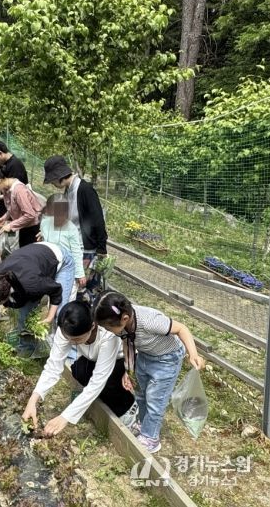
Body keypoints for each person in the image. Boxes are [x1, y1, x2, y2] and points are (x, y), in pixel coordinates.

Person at [93, 291, 206, 453]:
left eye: (108, 327)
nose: (108, 331)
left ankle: (151, 438)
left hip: (166, 360)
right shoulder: (122, 326)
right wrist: (128, 371)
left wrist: (193, 354)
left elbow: (182, 329)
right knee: (141, 394)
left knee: (155, 400)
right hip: (145, 356)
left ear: (124, 318)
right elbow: (128, 343)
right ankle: (144, 424)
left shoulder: (149, 321)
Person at [22, 301, 137, 436]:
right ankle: (105, 398)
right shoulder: (66, 329)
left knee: (108, 383)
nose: (71, 342)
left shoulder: (107, 334)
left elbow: (98, 381)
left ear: (92, 326)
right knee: (79, 371)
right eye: (68, 338)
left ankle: (129, 408)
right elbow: (53, 367)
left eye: (76, 340)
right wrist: (33, 399)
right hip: (94, 358)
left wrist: (65, 417)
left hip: (123, 360)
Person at [0, 242, 64, 341]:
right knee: (24, 316)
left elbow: (56, 290)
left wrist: (49, 317)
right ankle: (26, 346)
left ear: (7, 297)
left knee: (61, 313)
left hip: (57, 257)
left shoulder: (30, 285)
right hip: (32, 255)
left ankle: (58, 345)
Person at [43, 155, 107, 270]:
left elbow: (98, 219)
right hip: (73, 245)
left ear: (59, 176)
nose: (52, 184)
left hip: (86, 248)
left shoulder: (85, 190)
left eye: (52, 180)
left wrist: (102, 248)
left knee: (83, 279)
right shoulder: (68, 190)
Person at [0, 166, 42, 249]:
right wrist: (4, 218)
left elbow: (30, 215)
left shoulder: (19, 190)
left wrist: (11, 226)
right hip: (25, 226)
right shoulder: (6, 189)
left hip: (34, 228)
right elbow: (13, 207)